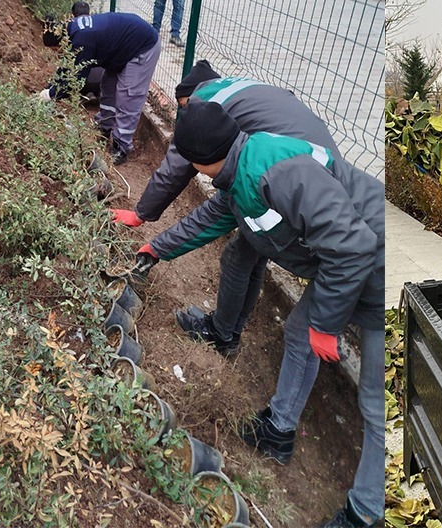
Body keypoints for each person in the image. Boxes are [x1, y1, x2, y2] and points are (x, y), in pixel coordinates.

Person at [130, 102, 385, 528]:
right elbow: (210, 217)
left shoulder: (275, 171)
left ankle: (366, 513)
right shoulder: (242, 167)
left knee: (376, 404)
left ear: (197, 160)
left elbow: (353, 246)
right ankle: (279, 431)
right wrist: (156, 248)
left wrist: (326, 324)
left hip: (379, 270)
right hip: (347, 266)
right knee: (299, 333)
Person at [111, 60, 342, 356]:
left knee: (238, 255)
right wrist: (158, 247)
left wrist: (142, 216)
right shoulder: (239, 94)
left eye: (184, 107)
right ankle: (228, 332)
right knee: (250, 252)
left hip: (301, 184)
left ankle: (222, 334)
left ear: (189, 98)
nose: (186, 113)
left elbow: (182, 174)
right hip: (318, 167)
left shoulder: (208, 111)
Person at [42, 2, 160, 165]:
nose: (58, 53)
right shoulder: (72, 29)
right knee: (108, 87)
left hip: (141, 46)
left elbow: (76, 78)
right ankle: (104, 127)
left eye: (56, 49)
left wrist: (52, 94)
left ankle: (122, 147)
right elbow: (67, 67)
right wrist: (51, 86)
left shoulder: (81, 41)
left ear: (60, 42)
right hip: (122, 47)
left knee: (128, 96)